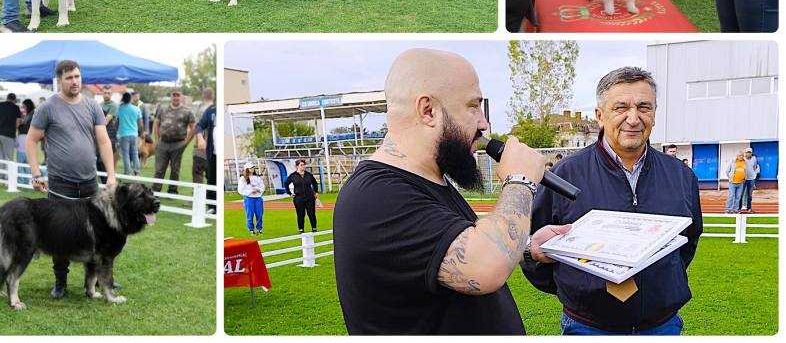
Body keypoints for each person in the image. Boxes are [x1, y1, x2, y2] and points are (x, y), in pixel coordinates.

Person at [334, 49, 560, 335]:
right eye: (473, 106)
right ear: (428, 110)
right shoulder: (377, 196)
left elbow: (454, 252)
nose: (484, 123)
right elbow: (483, 266)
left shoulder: (427, 179)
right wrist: (520, 180)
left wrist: (526, 246)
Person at [523, 67, 703, 335]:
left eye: (644, 107)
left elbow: (688, 242)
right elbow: (534, 244)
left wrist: (660, 283)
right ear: (600, 116)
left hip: (661, 325)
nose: (633, 119)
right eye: (620, 108)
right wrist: (579, 291)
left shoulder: (681, 176)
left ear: (654, 113)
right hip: (588, 326)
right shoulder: (565, 174)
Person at [25, 59, 117, 299]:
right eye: (69, 78)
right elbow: (31, 140)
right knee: (59, 233)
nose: (75, 81)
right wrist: (36, 173)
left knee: (98, 234)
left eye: (77, 76)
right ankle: (60, 283)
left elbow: (104, 140)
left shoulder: (92, 106)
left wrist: (111, 174)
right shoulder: (48, 107)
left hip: (89, 182)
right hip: (60, 184)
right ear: (60, 80)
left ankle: (94, 283)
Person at [152, 88, 196, 195]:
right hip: (163, 143)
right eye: (174, 95)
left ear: (181, 97)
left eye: (178, 95)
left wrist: (186, 143)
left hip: (178, 144)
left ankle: (172, 191)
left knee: (175, 170)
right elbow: (156, 124)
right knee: (159, 169)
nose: (176, 97)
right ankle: (155, 190)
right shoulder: (162, 109)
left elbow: (193, 127)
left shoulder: (187, 111)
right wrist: (157, 141)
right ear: (171, 96)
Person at [194, 94, 217, 213]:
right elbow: (199, 125)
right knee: (211, 178)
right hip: (212, 153)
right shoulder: (211, 110)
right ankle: (212, 206)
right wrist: (200, 137)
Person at [0, 93, 22, 178]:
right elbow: (18, 122)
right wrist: (13, 128)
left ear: (6, 98)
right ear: (14, 100)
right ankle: (8, 177)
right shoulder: (15, 107)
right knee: (8, 157)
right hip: (8, 135)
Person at [284, 159, 319, 233]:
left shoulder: (309, 175)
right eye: (301, 165)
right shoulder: (293, 175)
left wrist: (316, 192)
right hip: (298, 198)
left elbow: (315, 183)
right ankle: (301, 229)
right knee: (300, 214)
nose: (303, 166)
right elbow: (286, 183)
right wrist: (289, 193)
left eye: (304, 165)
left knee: (311, 213)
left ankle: (314, 227)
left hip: (309, 197)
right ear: (297, 166)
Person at [116, 91, 143, 176]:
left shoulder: (119, 109)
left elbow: (117, 122)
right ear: (130, 99)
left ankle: (128, 172)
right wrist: (141, 132)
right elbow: (140, 123)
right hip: (134, 135)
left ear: (123, 99)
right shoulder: (136, 108)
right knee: (135, 153)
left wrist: (117, 130)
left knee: (125, 154)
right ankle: (137, 172)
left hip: (123, 134)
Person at [238, 161, 265, 234]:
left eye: (253, 168)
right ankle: (251, 229)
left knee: (259, 214)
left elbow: (262, 187)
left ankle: (259, 228)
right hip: (249, 199)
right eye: (251, 168)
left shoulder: (257, 178)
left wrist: (258, 190)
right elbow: (240, 190)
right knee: (250, 214)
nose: (253, 169)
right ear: (247, 169)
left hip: (258, 198)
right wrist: (250, 191)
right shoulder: (243, 179)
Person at [99, 85, 119, 169]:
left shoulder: (113, 105)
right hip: (101, 133)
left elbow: (105, 121)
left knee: (107, 161)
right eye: (105, 93)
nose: (107, 95)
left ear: (112, 94)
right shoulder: (100, 104)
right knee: (99, 161)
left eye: (108, 93)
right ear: (102, 93)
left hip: (110, 135)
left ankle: (111, 180)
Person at [16, 99, 35, 185]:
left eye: (24, 106)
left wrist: (20, 124)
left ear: (27, 106)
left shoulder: (32, 115)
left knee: (22, 161)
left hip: (25, 139)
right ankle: (27, 180)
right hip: (27, 140)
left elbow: (26, 128)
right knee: (27, 162)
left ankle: (23, 180)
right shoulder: (30, 115)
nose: (23, 108)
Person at [741, 147, 760, 213]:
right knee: (741, 193)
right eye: (747, 152)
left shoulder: (754, 158)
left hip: (751, 179)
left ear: (751, 153)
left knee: (749, 195)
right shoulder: (742, 159)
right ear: (745, 153)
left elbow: (755, 167)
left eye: (750, 152)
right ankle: (739, 208)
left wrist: (754, 174)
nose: (748, 154)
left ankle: (749, 208)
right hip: (743, 179)